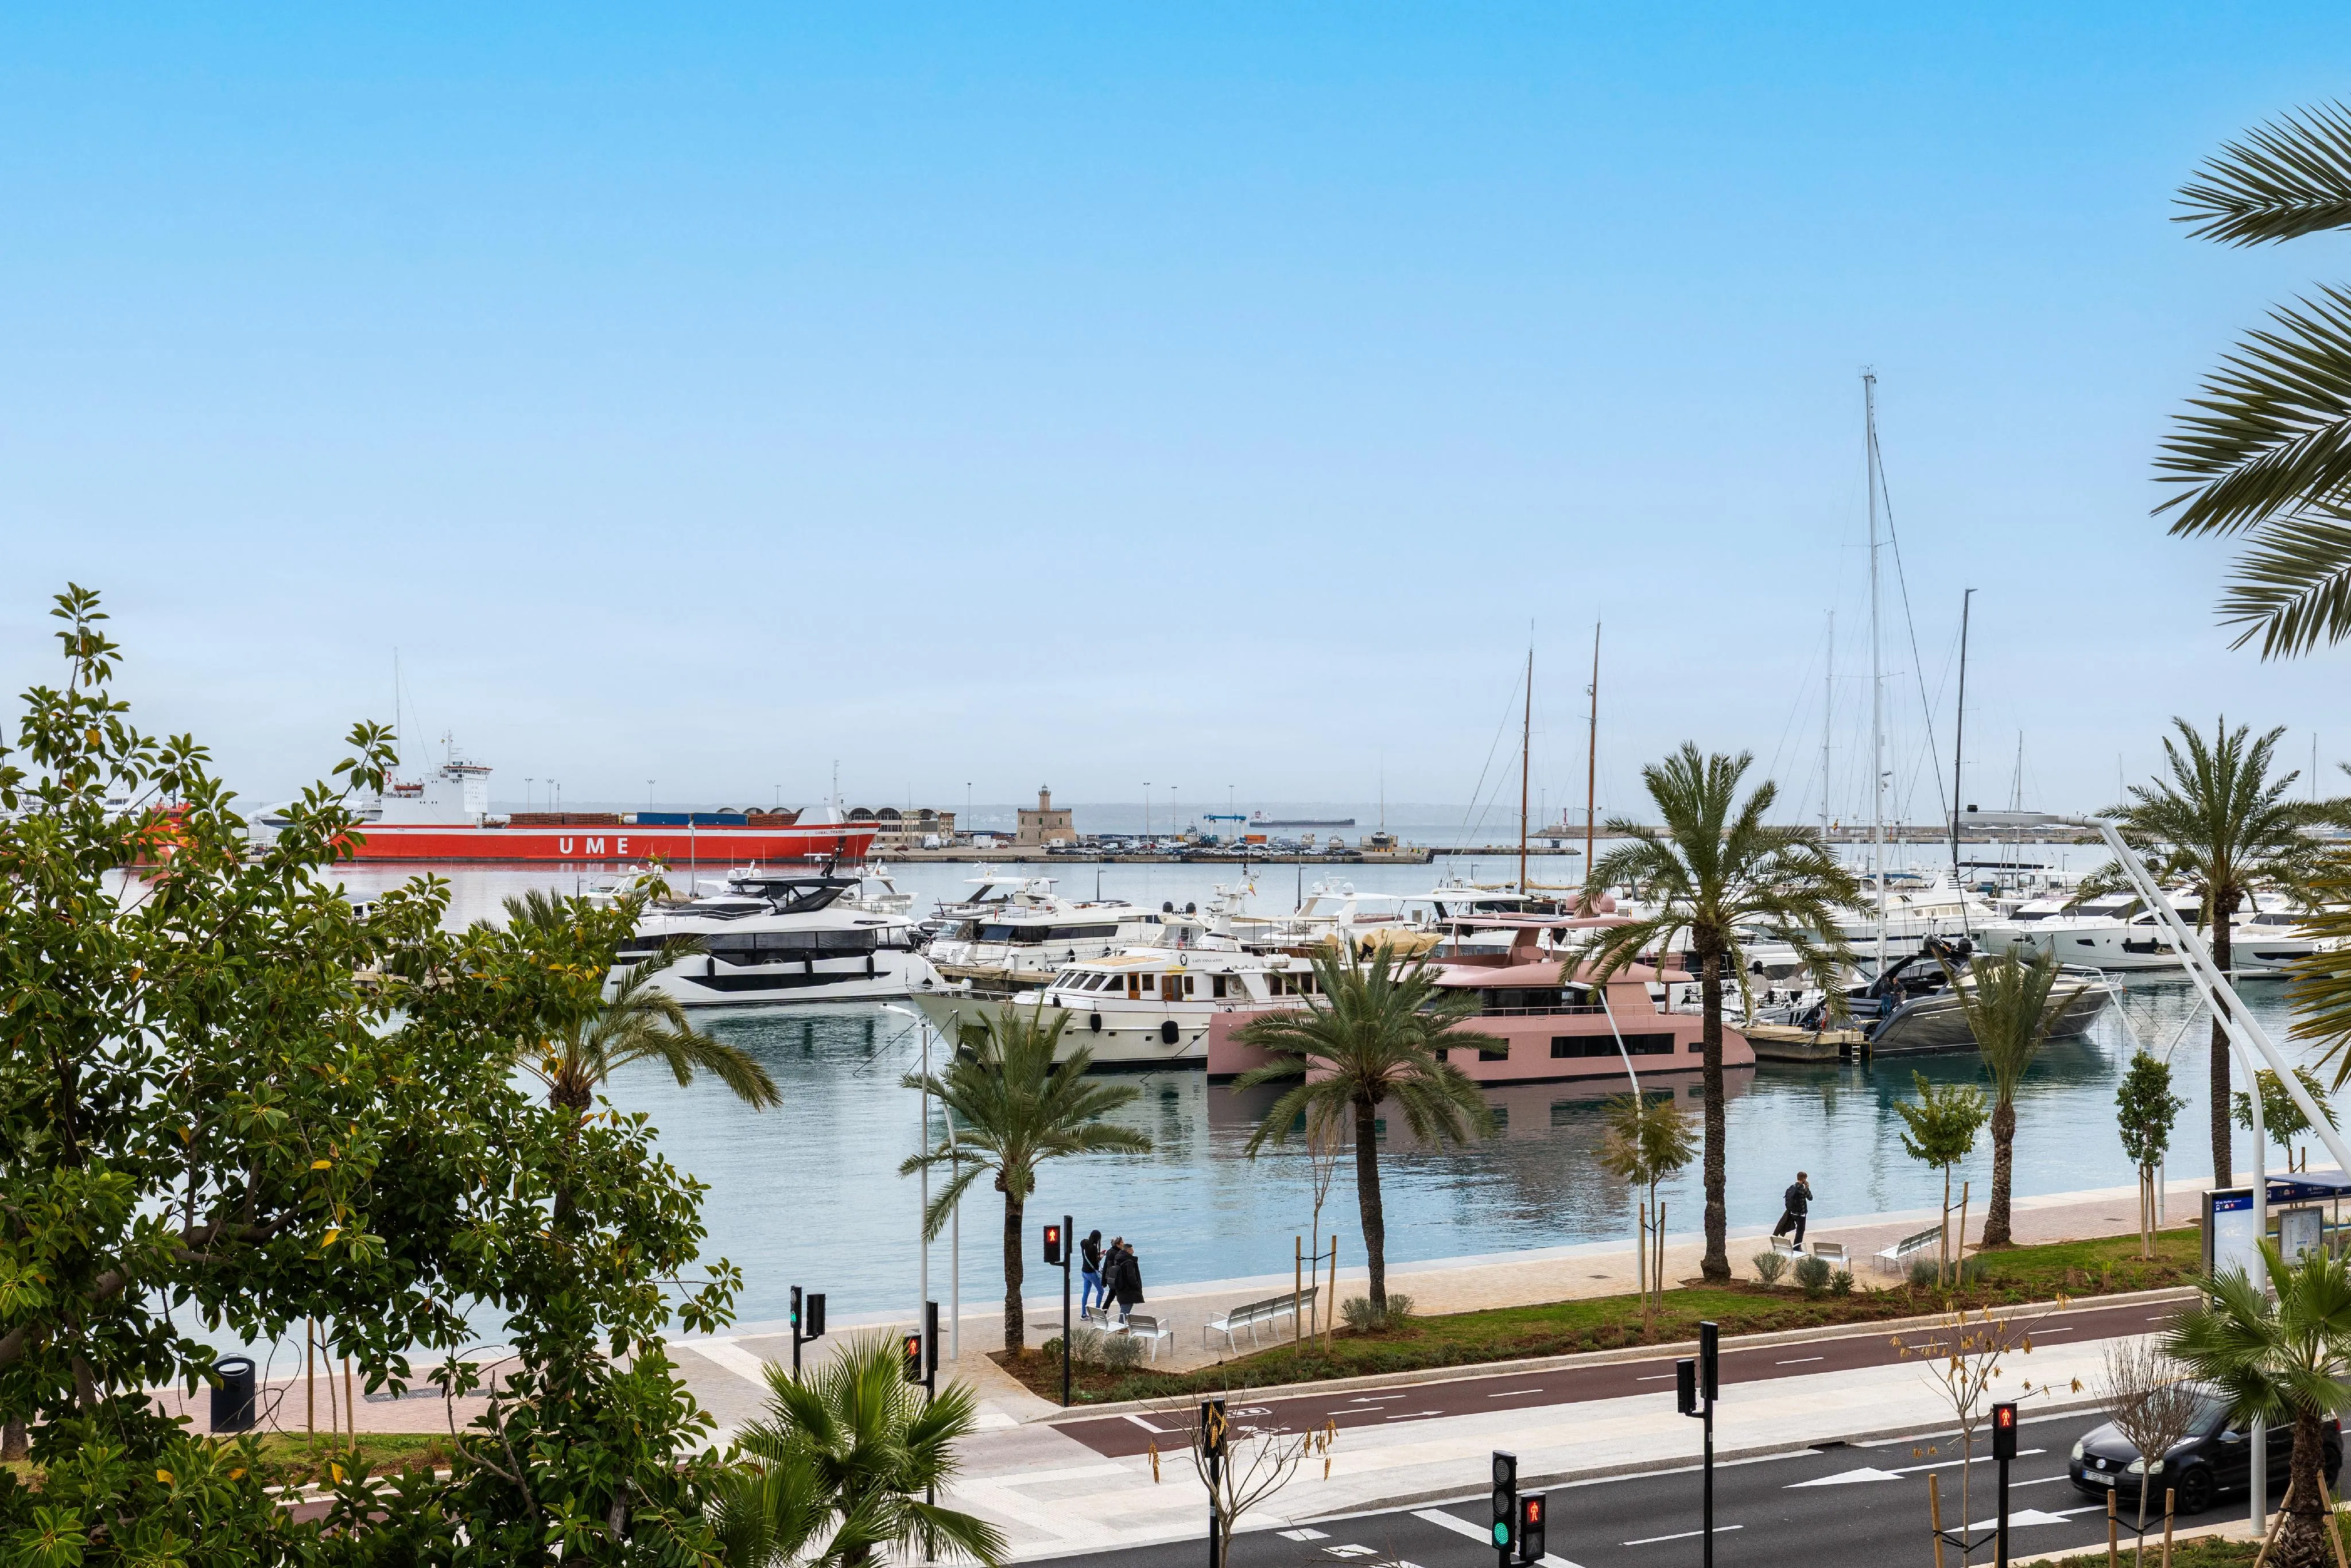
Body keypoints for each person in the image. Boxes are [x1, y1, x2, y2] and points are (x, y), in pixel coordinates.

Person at [1109, 1240, 1146, 1325]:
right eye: (1131, 1250)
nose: (1133, 1251)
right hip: (1128, 1290)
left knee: (1126, 1306)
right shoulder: (1129, 1262)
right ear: (1127, 1251)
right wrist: (1137, 1286)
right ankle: (1121, 1326)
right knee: (1126, 1308)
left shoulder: (1118, 1259)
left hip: (1121, 1288)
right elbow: (1131, 1277)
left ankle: (1123, 1325)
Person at [1774, 1171, 1814, 1247]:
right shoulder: (1802, 1189)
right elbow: (1810, 1198)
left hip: (1792, 1213)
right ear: (1804, 1179)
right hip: (1801, 1214)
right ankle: (1797, 1248)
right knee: (1800, 1231)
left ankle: (1796, 1247)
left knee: (1798, 1231)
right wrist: (1807, 1188)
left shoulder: (1792, 1187)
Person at [1080, 1230, 1105, 1316]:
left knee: (1086, 1293)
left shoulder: (1084, 1244)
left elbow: (1090, 1256)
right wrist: (1100, 1257)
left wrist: (1098, 1254)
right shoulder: (1094, 1248)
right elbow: (1095, 1261)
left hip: (1084, 1272)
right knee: (1101, 1291)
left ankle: (1083, 1314)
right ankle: (1097, 1313)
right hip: (1092, 1273)